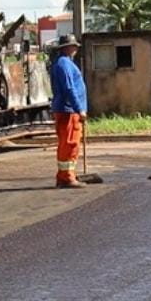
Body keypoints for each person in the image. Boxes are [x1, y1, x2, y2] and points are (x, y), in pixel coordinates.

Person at [49, 35, 88, 188]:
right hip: (68, 110)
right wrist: (80, 109)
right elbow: (69, 89)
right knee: (70, 143)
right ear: (67, 48)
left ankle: (65, 175)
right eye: (74, 46)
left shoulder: (66, 63)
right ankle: (67, 177)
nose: (76, 49)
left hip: (68, 110)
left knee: (69, 143)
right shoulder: (64, 64)